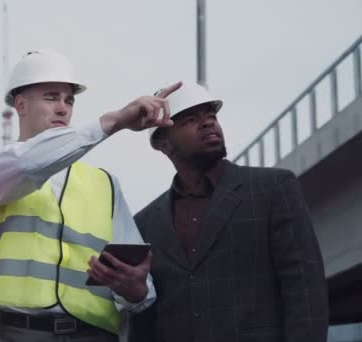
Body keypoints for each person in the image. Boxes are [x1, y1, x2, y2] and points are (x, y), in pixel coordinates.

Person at [0, 49, 180, 341]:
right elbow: (30, 162)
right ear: (21, 104)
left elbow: (142, 292)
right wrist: (114, 121)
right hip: (21, 333)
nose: (63, 108)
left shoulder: (105, 184)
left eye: (69, 100)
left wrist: (136, 289)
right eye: (51, 97)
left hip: (94, 335)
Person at [130, 81, 329, 342]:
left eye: (211, 116)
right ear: (164, 143)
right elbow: (146, 318)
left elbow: (304, 291)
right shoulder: (145, 223)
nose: (208, 123)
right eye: (191, 119)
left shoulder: (273, 189)